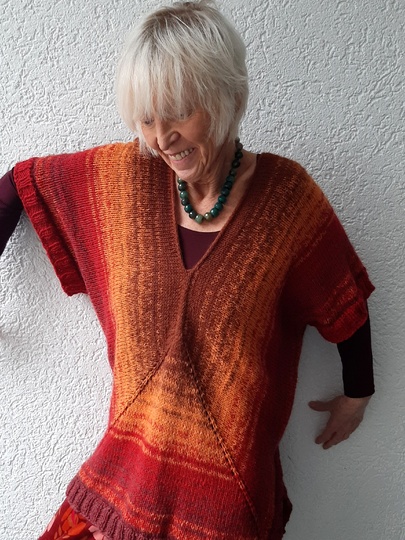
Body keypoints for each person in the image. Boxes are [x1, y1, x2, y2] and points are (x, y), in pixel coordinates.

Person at [0, 1, 375, 539]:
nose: (161, 138)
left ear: (229, 97)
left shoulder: (287, 202)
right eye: (146, 118)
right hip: (123, 485)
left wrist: (358, 393)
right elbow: (22, 183)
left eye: (177, 113)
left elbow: (343, 301)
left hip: (226, 497)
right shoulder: (126, 179)